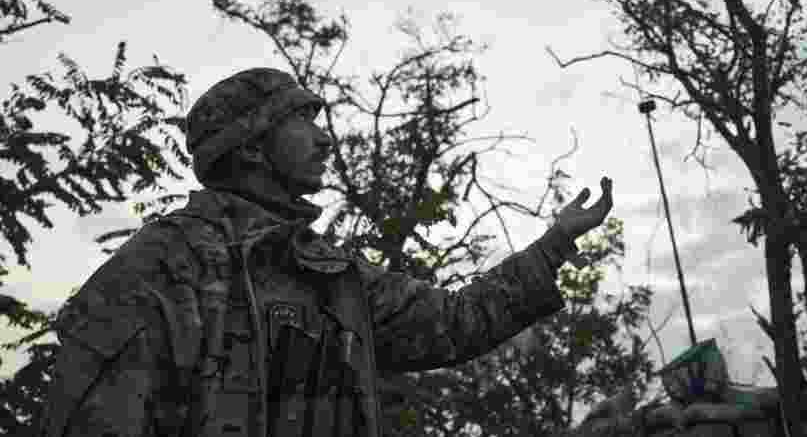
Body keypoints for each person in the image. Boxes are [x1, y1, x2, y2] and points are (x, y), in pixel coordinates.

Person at [40, 67, 615, 437]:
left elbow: (454, 323)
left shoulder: (331, 276)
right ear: (254, 149)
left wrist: (556, 243)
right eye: (300, 122)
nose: (324, 139)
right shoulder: (162, 267)